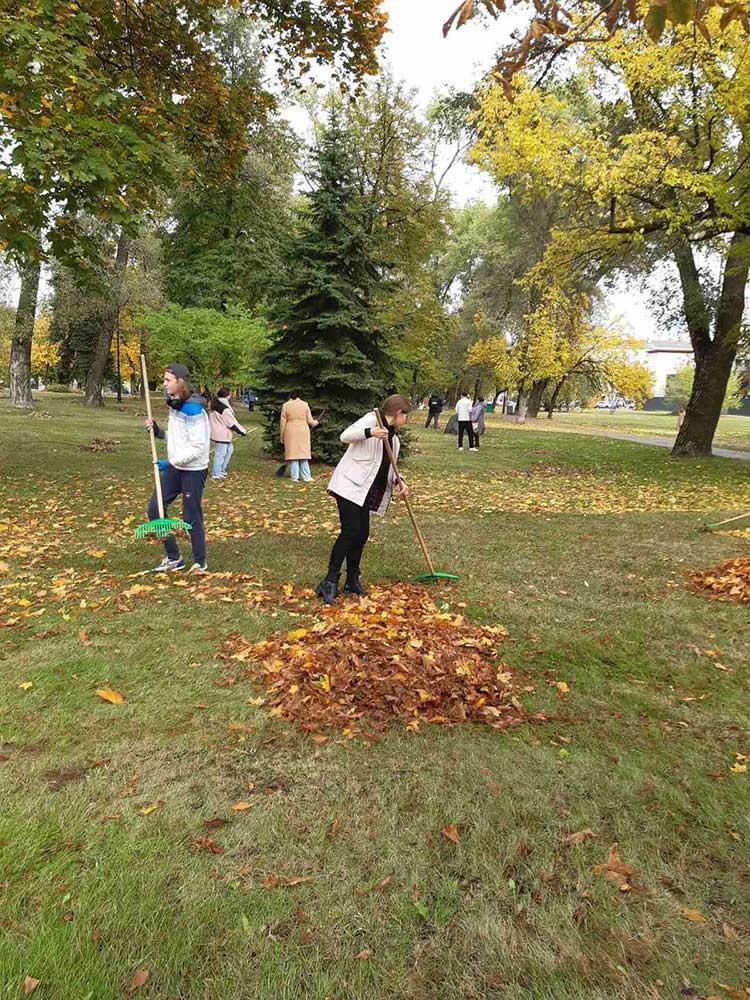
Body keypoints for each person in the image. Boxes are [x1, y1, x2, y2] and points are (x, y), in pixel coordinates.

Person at [315, 395, 411, 604]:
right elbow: (345, 435)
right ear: (398, 413)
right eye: (406, 416)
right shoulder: (371, 420)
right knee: (350, 531)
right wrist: (371, 432)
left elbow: (388, 467)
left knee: (362, 533)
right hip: (348, 486)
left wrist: (400, 481)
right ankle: (329, 581)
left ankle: (352, 580)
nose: (407, 421)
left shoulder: (394, 440)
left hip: (365, 491)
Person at [144, 362, 210, 573]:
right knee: (155, 509)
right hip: (176, 468)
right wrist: (158, 431)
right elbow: (178, 438)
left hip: (193, 469)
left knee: (190, 516)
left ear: (179, 383)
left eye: (167, 380)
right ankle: (174, 557)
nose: (164, 384)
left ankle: (200, 562)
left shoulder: (194, 409)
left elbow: (198, 447)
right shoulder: (175, 404)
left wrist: (171, 462)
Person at [209, 387, 248, 481]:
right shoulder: (223, 408)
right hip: (221, 434)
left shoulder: (216, 404)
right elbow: (231, 423)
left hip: (220, 433)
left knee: (229, 450)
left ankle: (221, 470)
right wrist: (242, 431)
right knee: (220, 453)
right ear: (227, 395)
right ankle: (216, 473)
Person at [280, 394, 318, 483]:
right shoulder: (305, 404)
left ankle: (295, 477)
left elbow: (282, 424)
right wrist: (315, 422)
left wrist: (282, 436)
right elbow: (310, 421)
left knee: (293, 455)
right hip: (303, 430)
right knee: (304, 454)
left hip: (290, 431)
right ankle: (307, 476)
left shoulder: (285, 405)